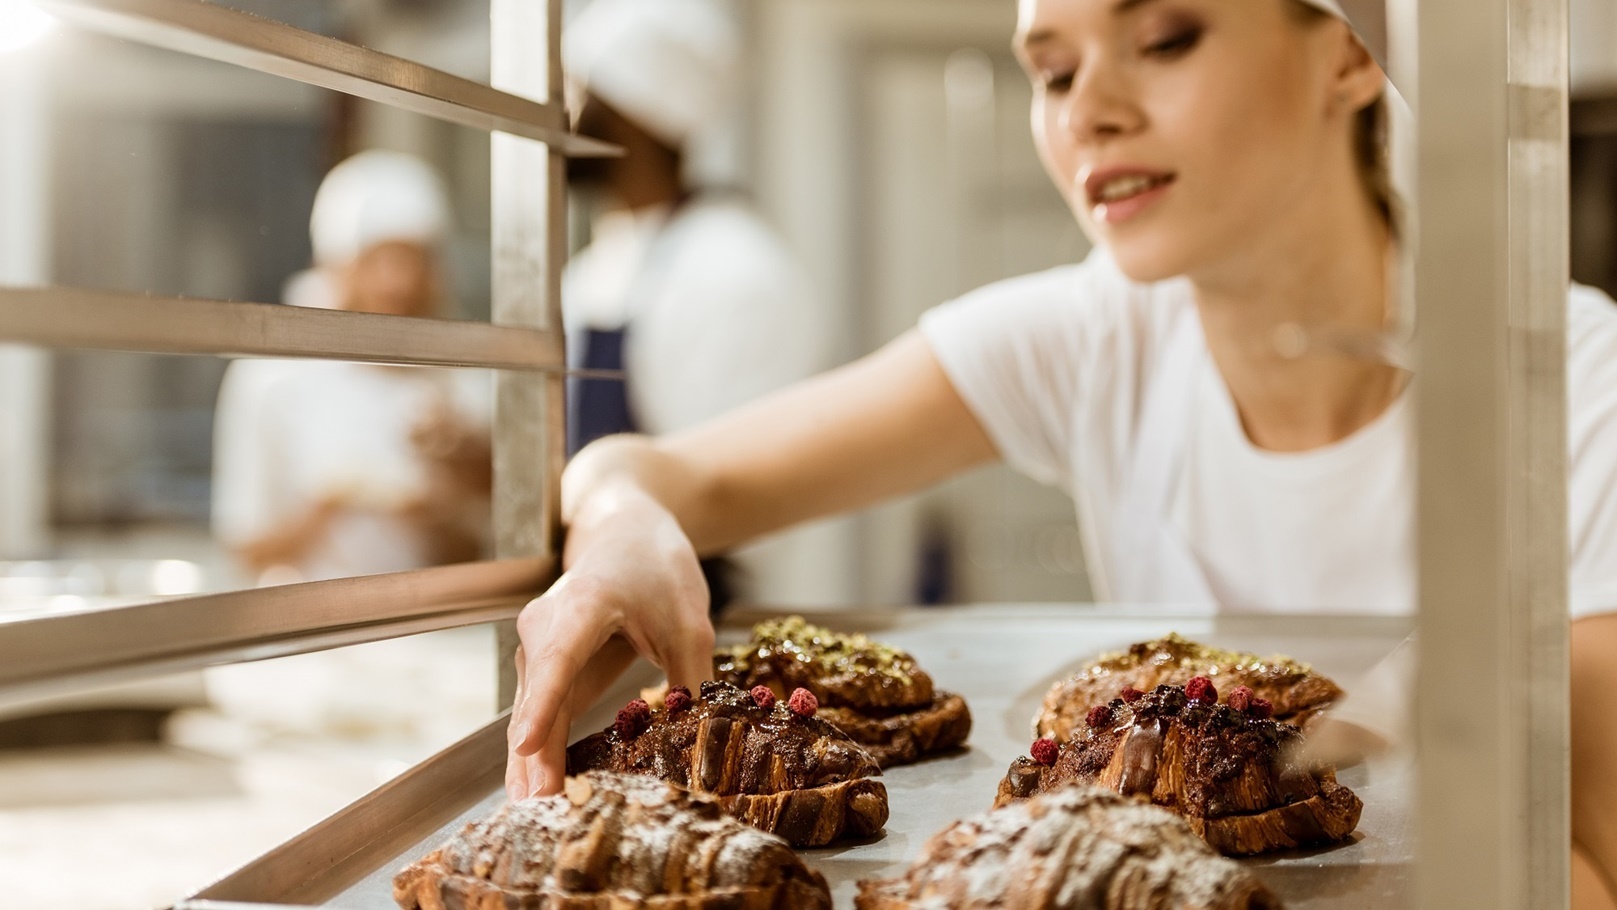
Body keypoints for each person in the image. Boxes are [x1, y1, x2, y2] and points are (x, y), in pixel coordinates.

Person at [505, 1, 1617, 905]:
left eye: (1167, 38)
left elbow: (1586, 863)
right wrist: (617, 532)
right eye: (1053, 71)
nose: (1092, 112)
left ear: (1348, 53)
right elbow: (657, 475)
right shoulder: (1089, 337)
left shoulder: (1578, 382)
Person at [559, 0, 836, 609]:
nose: (563, 117)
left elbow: (723, 493)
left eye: (580, 95)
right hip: (602, 591)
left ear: (635, 115)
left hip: (689, 609)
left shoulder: (735, 272)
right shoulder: (599, 262)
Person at [213, 150, 492, 585]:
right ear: (333, 264)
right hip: (316, 641)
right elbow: (246, 549)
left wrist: (447, 501)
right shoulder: (272, 379)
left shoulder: (462, 380)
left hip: (436, 638)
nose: (397, 282)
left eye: (414, 261)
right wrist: (334, 504)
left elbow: (488, 555)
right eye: (376, 260)